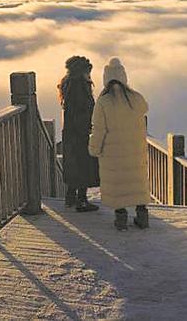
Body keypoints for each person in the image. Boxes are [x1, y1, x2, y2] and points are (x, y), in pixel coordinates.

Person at [88, 57, 151, 230]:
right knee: (136, 183)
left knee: (118, 186)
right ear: (124, 77)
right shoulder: (136, 98)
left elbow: (98, 129)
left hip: (113, 154)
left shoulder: (103, 102)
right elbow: (145, 108)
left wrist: (94, 148)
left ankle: (121, 220)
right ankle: (142, 217)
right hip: (134, 151)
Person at [58, 55, 100, 212]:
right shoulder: (80, 87)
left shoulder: (68, 84)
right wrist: (89, 127)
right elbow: (83, 111)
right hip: (81, 133)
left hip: (70, 133)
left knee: (74, 165)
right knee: (84, 165)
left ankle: (70, 198)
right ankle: (82, 201)